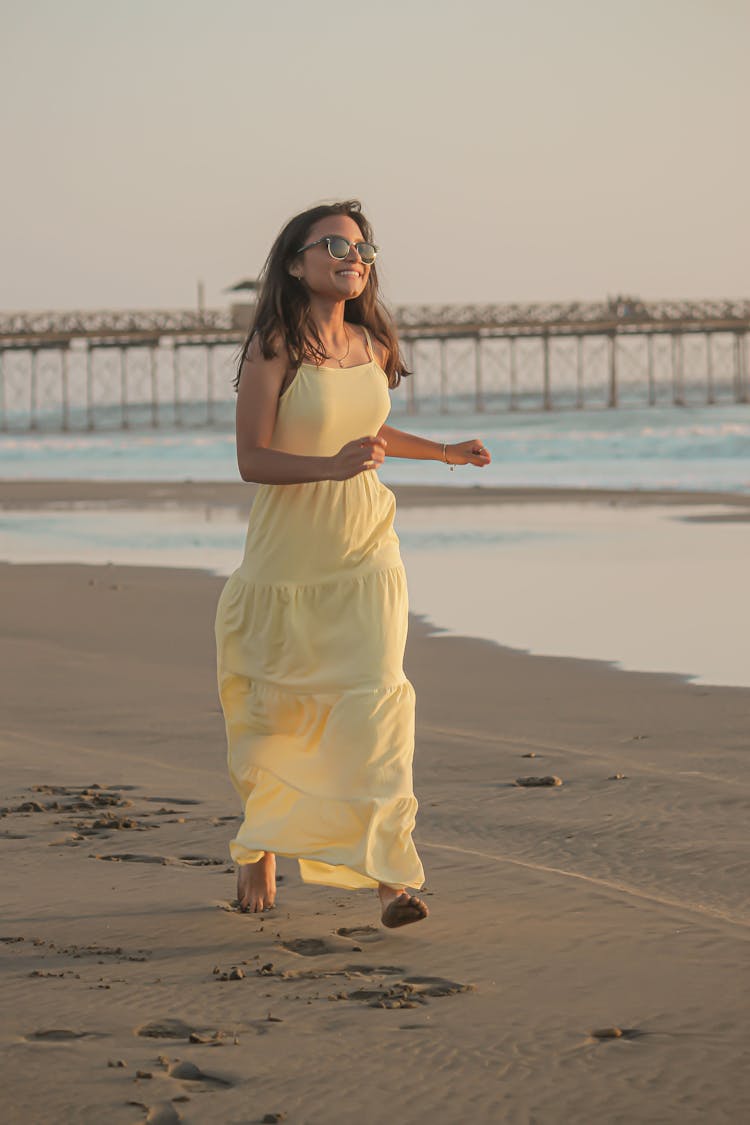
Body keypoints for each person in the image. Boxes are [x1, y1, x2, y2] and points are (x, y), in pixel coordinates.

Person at [214, 200, 490, 929]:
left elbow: (368, 433)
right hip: (289, 559)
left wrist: (445, 452)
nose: (353, 254)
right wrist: (329, 466)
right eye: (333, 242)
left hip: (366, 551)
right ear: (296, 262)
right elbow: (252, 459)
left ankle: (391, 879)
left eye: (362, 246)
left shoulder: (369, 344)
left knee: (376, 701)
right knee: (279, 711)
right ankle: (260, 840)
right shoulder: (273, 346)